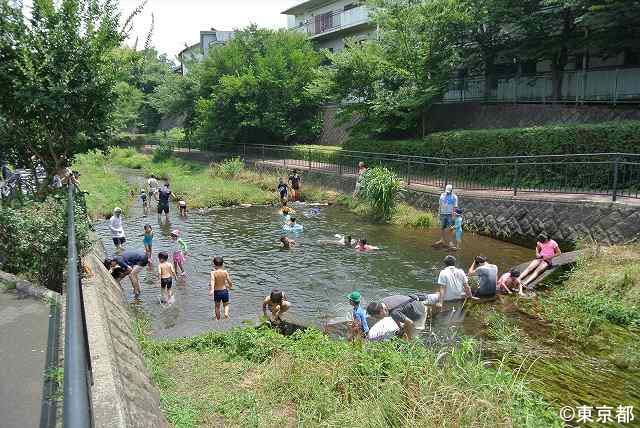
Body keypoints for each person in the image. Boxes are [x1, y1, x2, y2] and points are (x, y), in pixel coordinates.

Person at [435, 184, 458, 249]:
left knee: (450, 228)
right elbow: (440, 205)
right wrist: (439, 214)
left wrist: (454, 216)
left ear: (451, 191)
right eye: (447, 191)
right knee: (442, 227)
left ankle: (450, 242)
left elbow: (455, 207)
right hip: (442, 214)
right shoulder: (442, 195)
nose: (447, 193)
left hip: (450, 215)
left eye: (449, 191)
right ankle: (442, 239)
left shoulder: (454, 197)